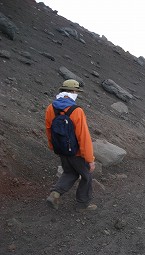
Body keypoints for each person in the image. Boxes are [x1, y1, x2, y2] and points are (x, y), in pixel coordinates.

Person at [45, 79, 96, 212]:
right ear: (73, 92)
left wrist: (53, 147)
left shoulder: (51, 108)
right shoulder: (76, 110)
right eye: (76, 91)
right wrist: (90, 159)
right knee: (86, 176)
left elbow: (49, 129)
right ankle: (82, 204)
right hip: (76, 152)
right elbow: (83, 136)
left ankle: (55, 193)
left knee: (70, 172)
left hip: (61, 149)